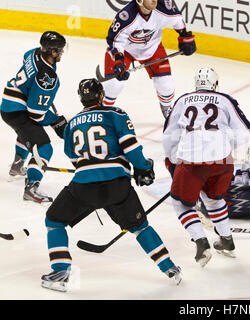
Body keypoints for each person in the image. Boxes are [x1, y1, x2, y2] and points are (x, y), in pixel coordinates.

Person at [40, 78, 181, 292]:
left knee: (54, 220)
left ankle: (60, 272)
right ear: (100, 96)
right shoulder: (116, 114)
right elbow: (130, 147)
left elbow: (73, 157)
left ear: (81, 98)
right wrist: (142, 168)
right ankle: (170, 268)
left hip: (83, 186)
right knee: (140, 227)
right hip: (117, 186)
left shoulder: (71, 125)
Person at [162, 67, 250, 267]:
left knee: (180, 203)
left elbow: (168, 135)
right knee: (213, 199)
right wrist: (224, 148)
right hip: (222, 163)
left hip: (192, 161)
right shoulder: (226, 100)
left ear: (196, 84)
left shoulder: (183, 100)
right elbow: (244, 132)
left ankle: (201, 242)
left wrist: (172, 160)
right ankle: (227, 240)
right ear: (215, 85)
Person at [0, 30, 68, 203]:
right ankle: (31, 188)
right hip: (17, 111)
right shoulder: (47, 78)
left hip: (9, 102)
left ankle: (16, 166)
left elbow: (25, 58)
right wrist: (55, 121)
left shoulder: (34, 52)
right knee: (44, 147)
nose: (61, 53)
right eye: (59, 50)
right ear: (52, 52)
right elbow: (36, 113)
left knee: (26, 132)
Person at [102, 0, 196, 119]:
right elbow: (114, 41)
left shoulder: (162, 8)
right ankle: (103, 110)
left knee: (166, 85)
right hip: (126, 51)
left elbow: (177, 20)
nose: (154, 0)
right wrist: (119, 62)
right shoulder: (126, 16)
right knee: (114, 85)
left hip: (152, 49)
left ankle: (166, 107)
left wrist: (184, 36)